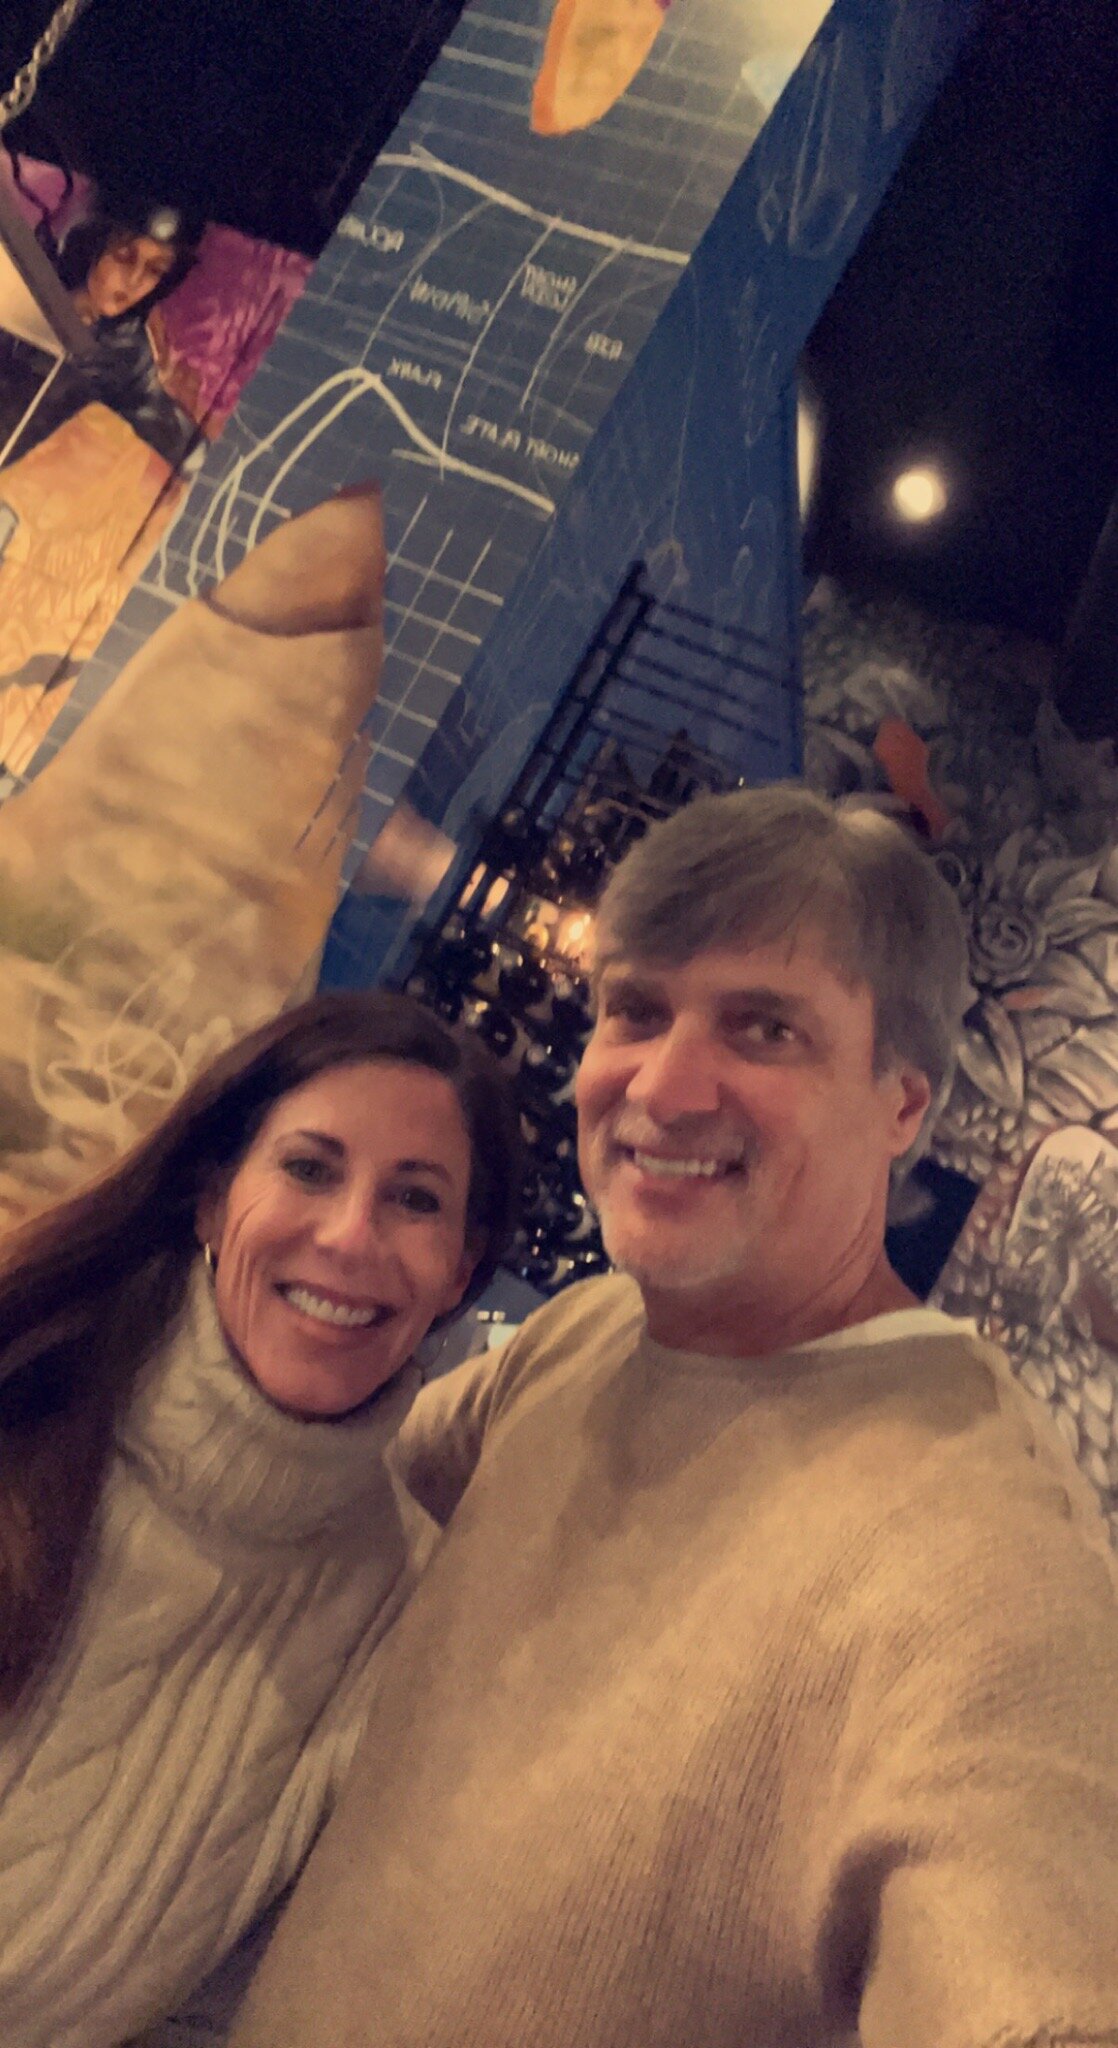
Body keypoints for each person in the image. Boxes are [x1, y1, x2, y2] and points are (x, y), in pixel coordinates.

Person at [231, 786, 1118, 2048]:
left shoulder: (991, 1554)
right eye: (635, 1010)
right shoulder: (587, 1334)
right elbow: (308, 1524)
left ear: (902, 1104)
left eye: (764, 1028)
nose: (664, 1082)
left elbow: (1038, 1985)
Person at [0, 989, 520, 2048]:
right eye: (309, 1168)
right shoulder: (24, 1385)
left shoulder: (402, 1624)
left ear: (459, 1274)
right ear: (211, 1196)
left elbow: (212, 2017)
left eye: (414, 1199)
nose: (350, 1234)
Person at [0, 200, 202, 471]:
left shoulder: (126, 349)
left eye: (155, 270)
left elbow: (179, 442)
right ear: (93, 244)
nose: (134, 280)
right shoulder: (23, 277)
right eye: (124, 256)